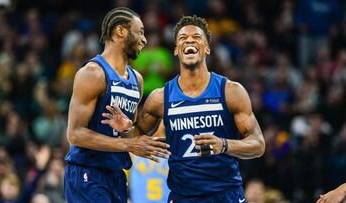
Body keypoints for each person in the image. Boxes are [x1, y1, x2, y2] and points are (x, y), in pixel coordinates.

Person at [103, 15, 265, 202]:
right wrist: (126, 129)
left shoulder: (231, 91)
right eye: (182, 38)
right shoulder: (160, 98)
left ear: (207, 49)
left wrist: (225, 145)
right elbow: (137, 139)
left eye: (196, 37)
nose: (189, 40)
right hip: (183, 196)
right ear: (176, 50)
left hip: (225, 193)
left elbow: (258, 144)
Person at [64, 7, 170, 203]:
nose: (145, 40)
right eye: (140, 32)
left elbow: (132, 136)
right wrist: (127, 144)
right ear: (120, 31)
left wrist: (129, 130)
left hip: (117, 174)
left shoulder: (136, 79)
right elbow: (75, 134)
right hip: (87, 172)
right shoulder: (93, 73)